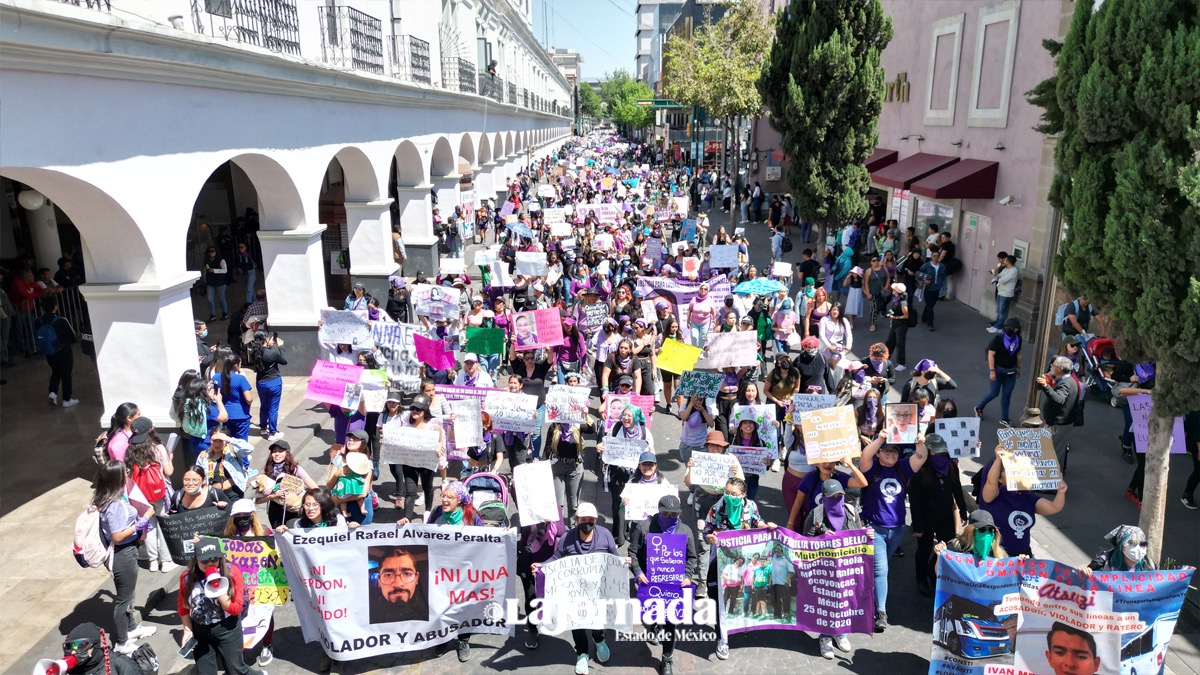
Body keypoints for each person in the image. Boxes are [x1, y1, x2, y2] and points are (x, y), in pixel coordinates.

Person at [533, 502, 627, 675]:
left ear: (596, 521)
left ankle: (599, 640)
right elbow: (557, 557)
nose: (587, 522)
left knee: (599, 619)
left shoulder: (605, 535)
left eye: (591, 519)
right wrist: (542, 566)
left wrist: (622, 562)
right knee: (577, 622)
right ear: (577, 520)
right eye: (583, 519)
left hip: (599, 590)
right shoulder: (568, 538)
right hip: (575, 590)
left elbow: (615, 555)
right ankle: (582, 653)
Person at [859, 431, 927, 631]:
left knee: (880, 568)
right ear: (878, 453)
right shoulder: (873, 469)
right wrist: (880, 438)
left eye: (894, 451)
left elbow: (921, 457)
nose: (891, 454)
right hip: (875, 529)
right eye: (886, 451)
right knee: (881, 570)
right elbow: (864, 457)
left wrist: (920, 442)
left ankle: (866, 592)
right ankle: (881, 612)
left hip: (896, 531)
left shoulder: (902, 468)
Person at [703, 478, 776, 660]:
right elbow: (706, 531)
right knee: (719, 597)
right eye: (727, 493)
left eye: (734, 494)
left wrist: (766, 526)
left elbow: (757, 521)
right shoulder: (717, 508)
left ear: (743, 494)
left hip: (742, 559)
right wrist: (710, 537)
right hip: (720, 559)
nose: (729, 497)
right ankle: (723, 639)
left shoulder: (751, 506)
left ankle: (736, 626)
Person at [92, 460, 157, 654]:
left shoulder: (112, 499)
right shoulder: (114, 505)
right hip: (123, 553)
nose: (128, 473)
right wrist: (145, 519)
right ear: (117, 478)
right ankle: (122, 642)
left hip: (127, 551)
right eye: (125, 472)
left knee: (128, 596)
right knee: (123, 600)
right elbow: (118, 535)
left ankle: (132, 629)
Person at [628, 494, 699, 675]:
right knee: (653, 613)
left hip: (674, 585)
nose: (670, 518)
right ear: (658, 511)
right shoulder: (643, 528)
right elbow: (633, 552)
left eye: (674, 515)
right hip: (650, 582)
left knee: (671, 622)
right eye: (665, 514)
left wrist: (688, 576)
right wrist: (638, 572)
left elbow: (692, 557)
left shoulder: (685, 531)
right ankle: (653, 625)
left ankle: (667, 658)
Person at [178, 536, 266, 675]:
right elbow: (183, 606)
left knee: (235, 670)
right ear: (196, 560)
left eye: (214, 559)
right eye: (204, 560)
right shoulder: (187, 577)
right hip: (200, 631)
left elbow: (236, 609)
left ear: (220, 558)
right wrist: (187, 630)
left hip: (227, 629)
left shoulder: (232, 573)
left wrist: (218, 590)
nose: (210, 564)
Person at [802, 479, 866, 659]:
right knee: (826, 602)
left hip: (846, 568)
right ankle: (825, 637)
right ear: (824, 498)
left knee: (844, 601)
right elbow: (805, 542)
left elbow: (858, 535)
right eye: (832, 497)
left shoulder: (851, 511)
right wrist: (822, 535)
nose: (837, 499)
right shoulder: (815, 514)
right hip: (824, 570)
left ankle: (841, 633)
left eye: (840, 496)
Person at [909, 435, 969, 595]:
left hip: (945, 516)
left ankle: (931, 570)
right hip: (925, 517)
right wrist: (917, 525)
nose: (939, 457)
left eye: (942, 453)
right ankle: (921, 579)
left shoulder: (950, 466)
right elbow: (914, 502)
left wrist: (963, 511)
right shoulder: (920, 471)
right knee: (924, 549)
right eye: (935, 453)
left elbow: (957, 489)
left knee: (948, 547)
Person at [979, 449, 1068, 557]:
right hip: (996, 557)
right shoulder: (992, 497)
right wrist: (998, 459)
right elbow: (990, 482)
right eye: (1011, 469)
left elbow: (1054, 507)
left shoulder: (1027, 498)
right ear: (999, 478)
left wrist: (1061, 492)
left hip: (1022, 556)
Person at [1037, 356, 1082, 473]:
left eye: (1054, 365)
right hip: (1061, 423)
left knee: (1053, 452)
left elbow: (1059, 399)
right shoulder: (1068, 380)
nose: (1051, 366)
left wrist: (1046, 386)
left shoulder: (1066, 383)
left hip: (1059, 424)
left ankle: (1051, 484)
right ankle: (1055, 476)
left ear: (1060, 369)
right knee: (1057, 451)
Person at [976, 318, 1023, 425]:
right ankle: (979, 407)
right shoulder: (998, 338)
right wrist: (992, 371)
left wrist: (1018, 367)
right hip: (998, 370)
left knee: (1007, 395)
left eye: (1016, 329)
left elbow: (1018, 354)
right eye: (1012, 328)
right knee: (994, 393)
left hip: (1011, 371)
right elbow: (991, 355)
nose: (1014, 331)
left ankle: (1004, 418)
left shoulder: (1018, 339)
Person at [37, 296, 78, 407]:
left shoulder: (38, 321)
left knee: (56, 371)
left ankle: (52, 393)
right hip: (63, 351)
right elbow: (72, 336)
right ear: (55, 306)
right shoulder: (61, 320)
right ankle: (66, 399)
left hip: (49, 352)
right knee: (66, 374)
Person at [57, 622, 142, 675]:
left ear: (95, 645)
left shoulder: (122, 665)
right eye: (69, 647)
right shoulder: (69, 669)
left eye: (80, 645)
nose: (73, 652)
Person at [249, 331, 287, 442]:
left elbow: (264, 354)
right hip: (273, 382)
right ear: (266, 339)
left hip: (261, 383)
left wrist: (269, 346)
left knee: (264, 405)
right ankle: (273, 432)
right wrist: (281, 347)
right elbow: (284, 361)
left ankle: (262, 428)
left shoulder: (255, 353)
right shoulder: (272, 353)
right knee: (273, 408)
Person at [1080, 524, 1156, 575]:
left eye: (1143, 544)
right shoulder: (1104, 562)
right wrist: (1086, 571)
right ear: (1121, 546)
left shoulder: (1149, 565)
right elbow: (1084, 577)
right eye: (1132, 543)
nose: (1138, 548)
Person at [882, 284, 910, 370]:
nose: (892, 290)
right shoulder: (895, 299)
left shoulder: (903, 303)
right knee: (890, 342)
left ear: (897, 292)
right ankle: (885, 358)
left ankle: (902, 363)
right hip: (895, 323)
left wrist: (894, 317)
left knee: (900, 344)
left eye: (894, 289)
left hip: (901, 325)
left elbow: (906, 316)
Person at [988, 254, 1019, 333]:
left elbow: (1003, 280)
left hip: (1006, 294)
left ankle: (998, 327)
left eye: (1005, 260)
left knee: (1002, 311)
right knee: (998, 310)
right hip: (1000, 292)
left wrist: (998, 278)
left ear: (1008, 262)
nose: (1004, 261)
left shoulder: (1014, 271)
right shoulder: (1005, 269)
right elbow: (997, 277)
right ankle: (996, 325)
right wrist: (995, 272)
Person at [203, 246, 229, 322]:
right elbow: (205, 271)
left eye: (212, 251)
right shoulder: (207, 261)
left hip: (220, 283)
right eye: (209, 252)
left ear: (216, 252)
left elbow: (225, 270)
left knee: (221, 299)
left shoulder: (221, 261)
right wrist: (205, 280)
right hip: (210, 283)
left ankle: (225, 313)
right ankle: (212, 315)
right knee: (210, 299)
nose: (211, 253)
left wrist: (214, 270)